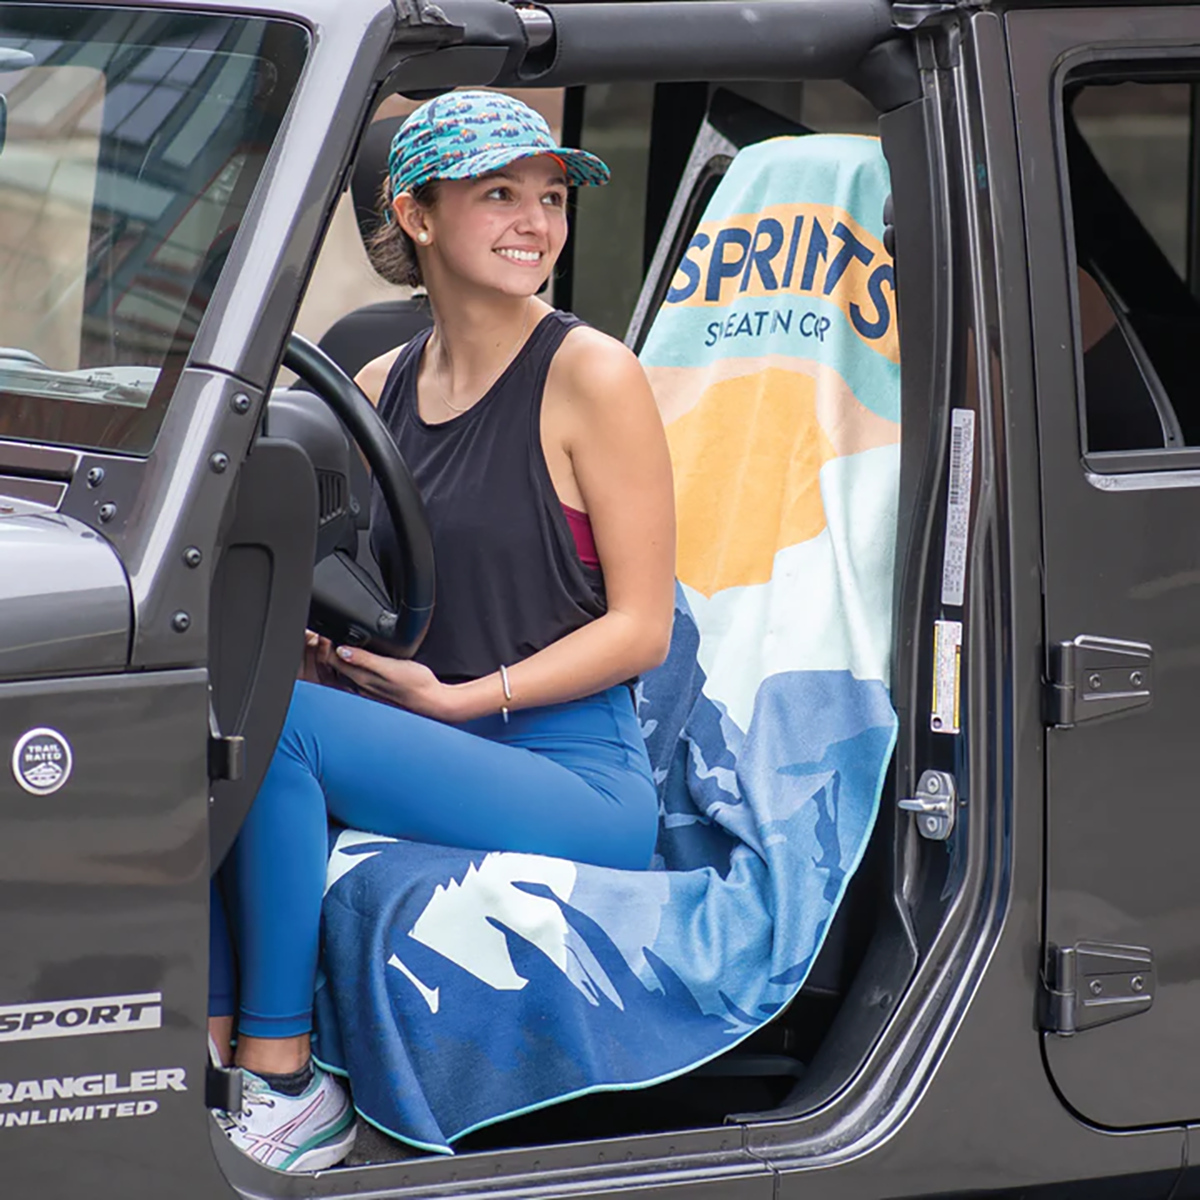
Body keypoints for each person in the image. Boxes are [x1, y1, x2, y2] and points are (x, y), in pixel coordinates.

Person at [207, 91, 676, 1172]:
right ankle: (210, 1050)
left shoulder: (592, 374)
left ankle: (287, 1079)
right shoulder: (378, 384)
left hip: (575, 773)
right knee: (221, 706)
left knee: (283, 731)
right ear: (415, 216)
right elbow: (395, 595)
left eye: (551, 197)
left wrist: (463, 698)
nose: (536, 222)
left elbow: (642, 629)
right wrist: (345, 661)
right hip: (442, 740)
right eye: (499, 194)